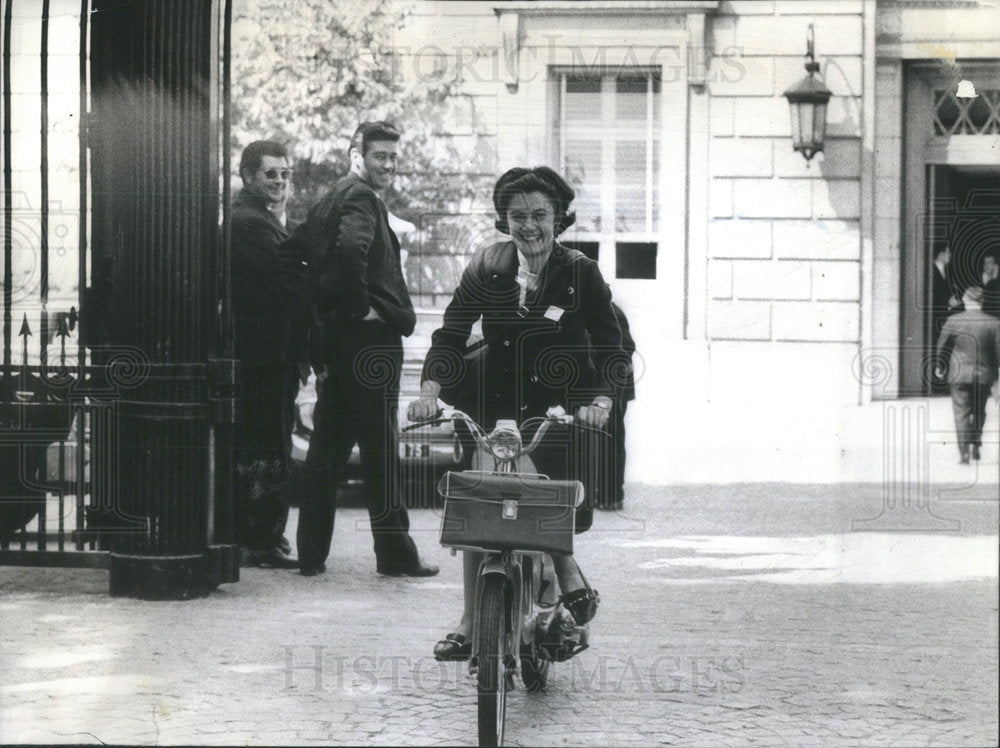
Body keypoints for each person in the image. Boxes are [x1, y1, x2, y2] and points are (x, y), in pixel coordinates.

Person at [407, 166, 626, 661]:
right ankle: (469, 619)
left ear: (559, 219)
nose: (529, 226)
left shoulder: (580, 272)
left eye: (540, 215)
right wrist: (430, 390)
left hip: (558, 406)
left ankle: (561, 565)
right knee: (476, 502)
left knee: (541, 490)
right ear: (505, 221)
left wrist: (600, 402)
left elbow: (612, 348)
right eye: (518, 216)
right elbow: (451, 332)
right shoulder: (488, 266)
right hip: (492, 401)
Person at [295, 121, 438, 578]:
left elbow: (297, 255)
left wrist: (326, 321)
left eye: (394, 157)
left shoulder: (329, 197)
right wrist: (360, 311)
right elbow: (351, 251)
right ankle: (395, 555)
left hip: (339, 349)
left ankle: (311, 555)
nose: (389, 165)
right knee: (380, 454)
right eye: (380, 156)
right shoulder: (360, 198)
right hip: (369, 347)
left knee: (326, 451)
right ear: (356, 154)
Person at [231, 139, 302, 569]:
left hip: (270, 354)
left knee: (269, 444)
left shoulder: (260, 219)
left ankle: (263, 537)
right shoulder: (248, 223)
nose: (279, 181)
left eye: (284, 174)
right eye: (270, 174)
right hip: (262, 356)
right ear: (248, 177)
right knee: (267, 446)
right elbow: (292, 271)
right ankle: (259, 539)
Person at [934, 285, 1000, 464]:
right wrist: (996, 376)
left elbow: (942, 347)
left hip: (959, 374)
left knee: (961, 412)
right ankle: (976, 442)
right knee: (979, 411)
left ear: (965, 300)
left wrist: (939, 366)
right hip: (984, 375)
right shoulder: (994, 322)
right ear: (982, 301)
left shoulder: (953, 320)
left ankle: (964, 453)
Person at [981, 253, 1000, 319]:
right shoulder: (977, 281)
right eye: (987, 263)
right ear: (983, 266)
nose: (990, 265)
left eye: (992, 262)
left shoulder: (997, 282)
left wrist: (994, 279)